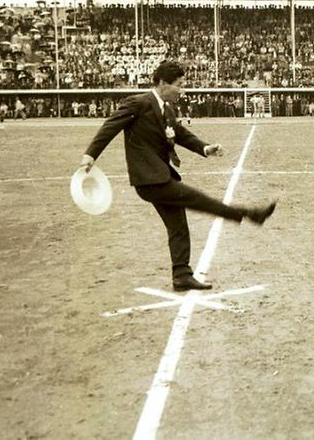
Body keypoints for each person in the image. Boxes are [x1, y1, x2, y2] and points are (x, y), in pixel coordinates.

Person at [78, 61, 277, 292]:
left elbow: (180, 134)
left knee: (178, 226)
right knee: (201, 201)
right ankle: (251, 214)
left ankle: (181, 275)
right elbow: (109, 127)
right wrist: (90, 155)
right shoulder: (138, 102)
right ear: (163, 83)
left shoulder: (168, 109)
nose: (181, 90)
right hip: (150, 179)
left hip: (159, 177)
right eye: (179, 85)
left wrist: (204, 148)